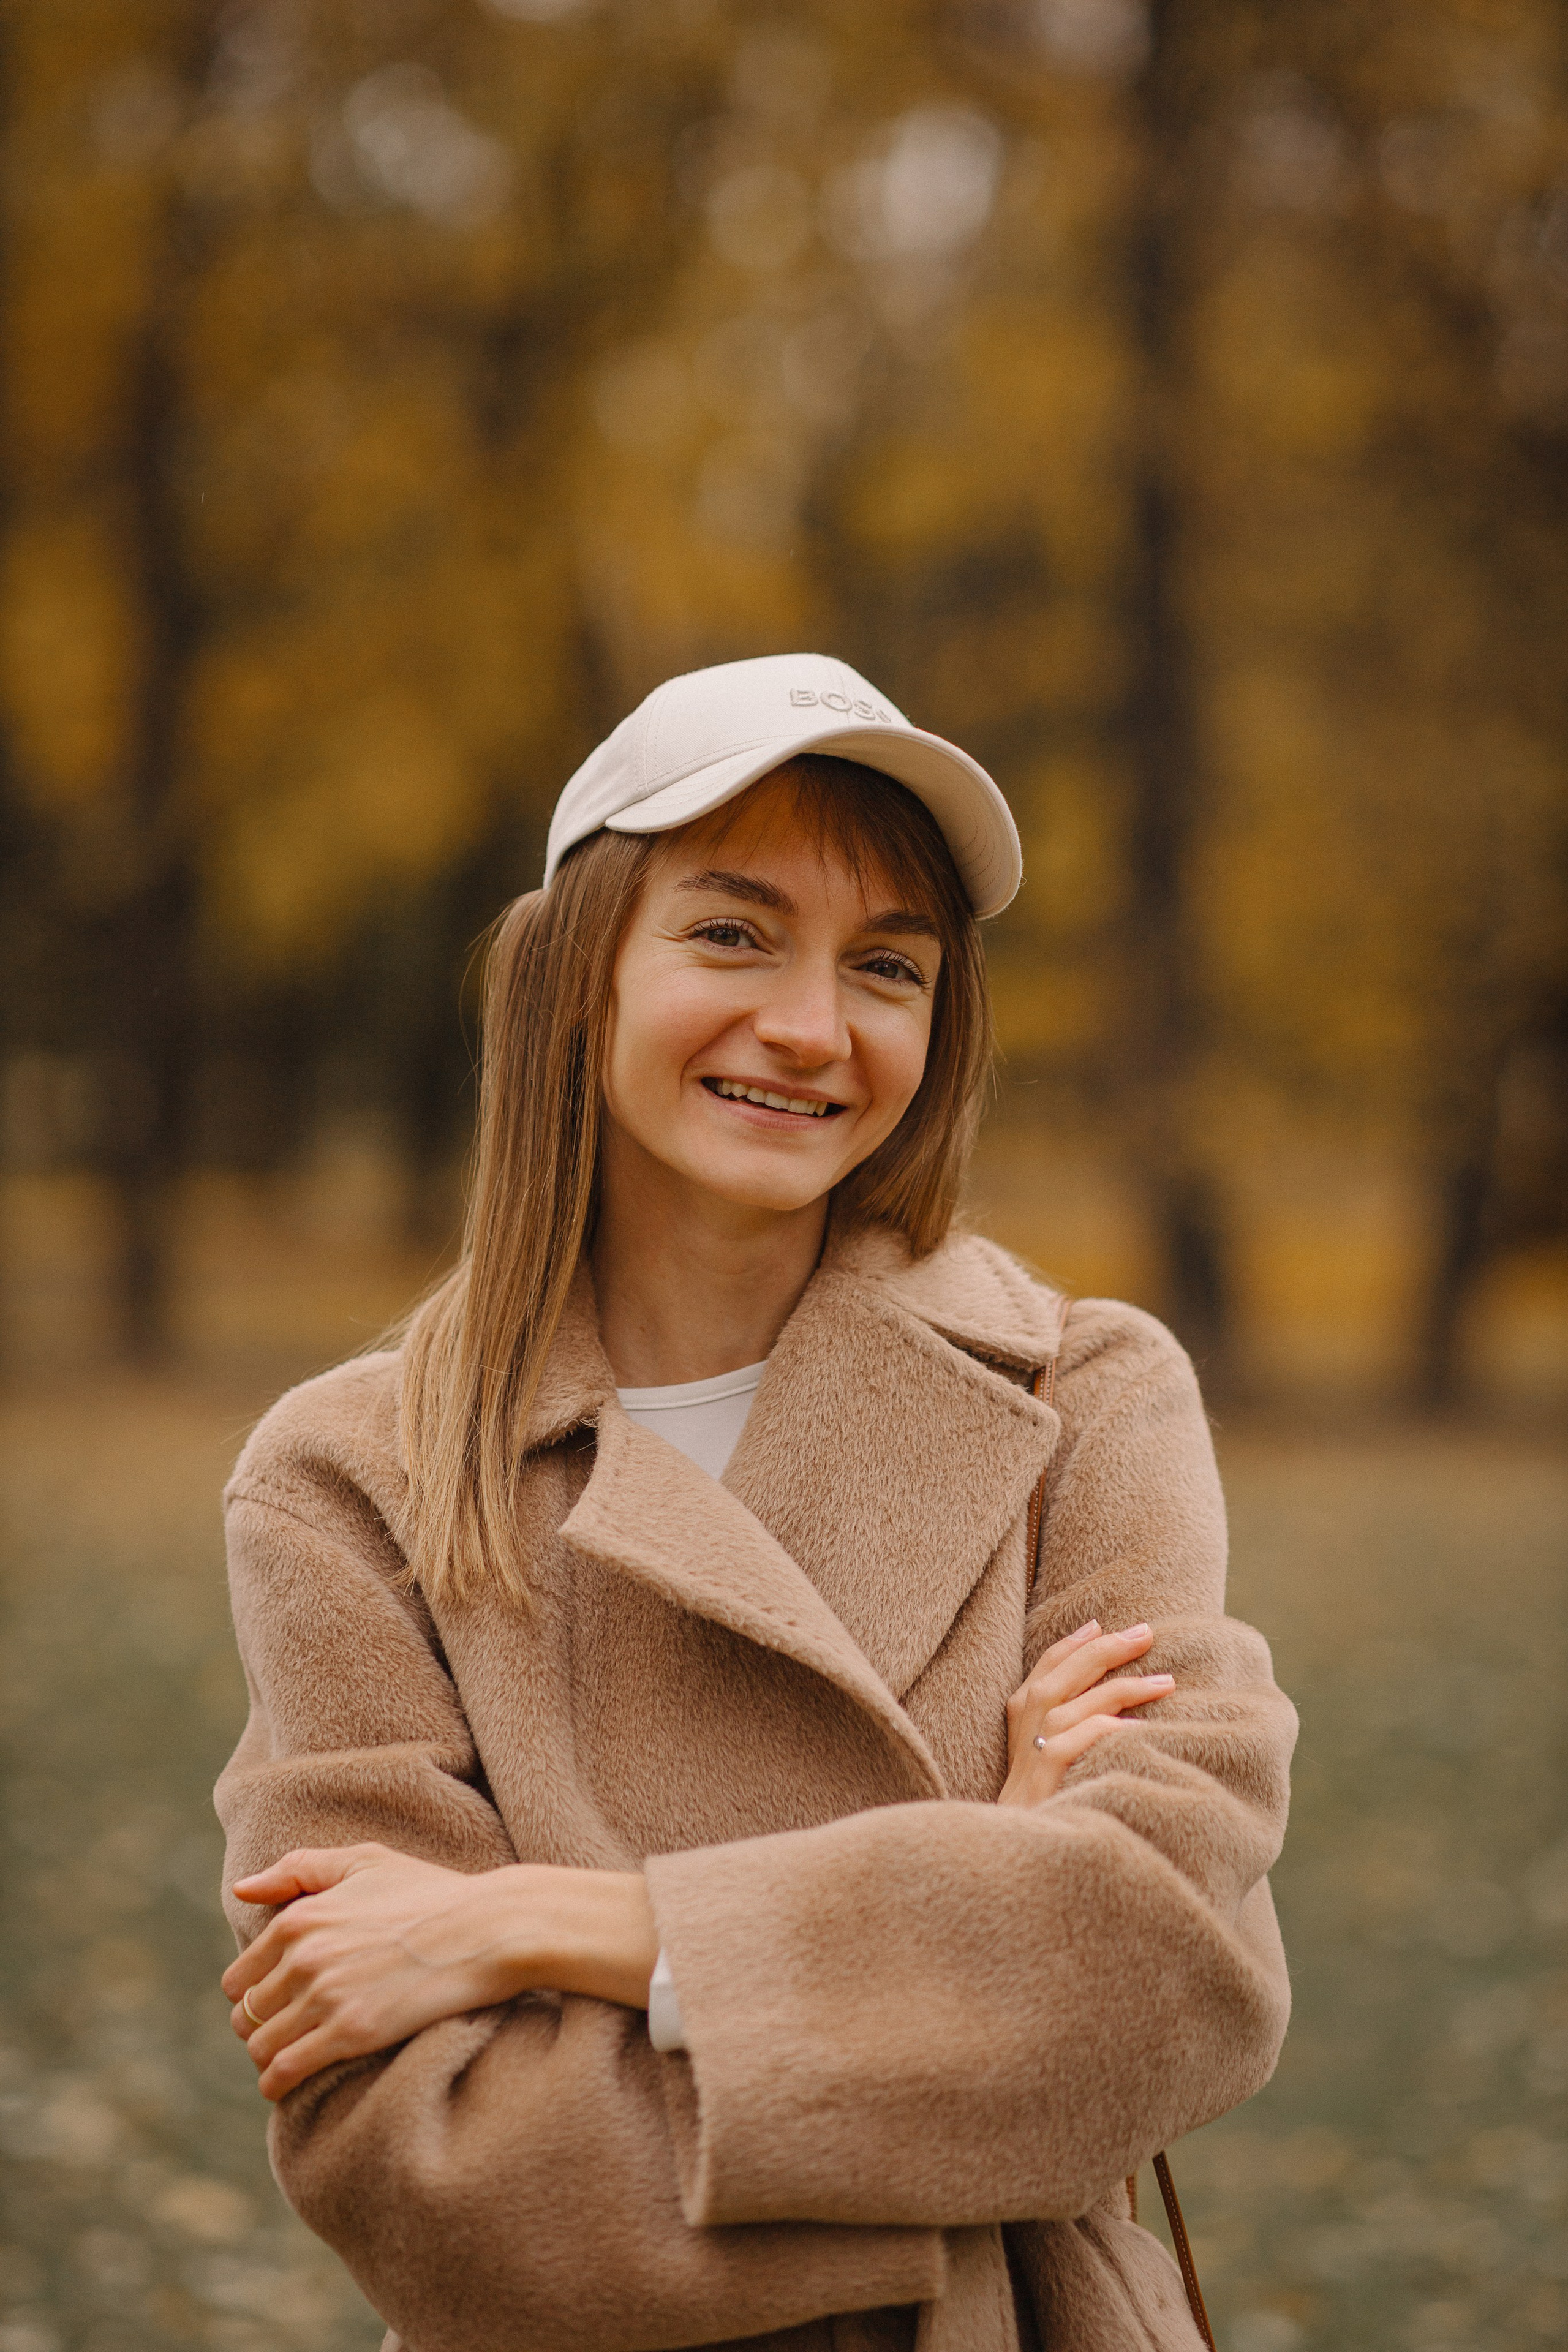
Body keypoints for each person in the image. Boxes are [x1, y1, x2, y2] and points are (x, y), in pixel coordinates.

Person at [215, 652, 1294, 2352]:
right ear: (583, 979)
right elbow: (430, 2178)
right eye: (734, 934)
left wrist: (551, 1926)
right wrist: (993, 1900)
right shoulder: (353, 1482)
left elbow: (1170, 1984)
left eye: (889, 967)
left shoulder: (1084, 1397)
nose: (813, 1026)